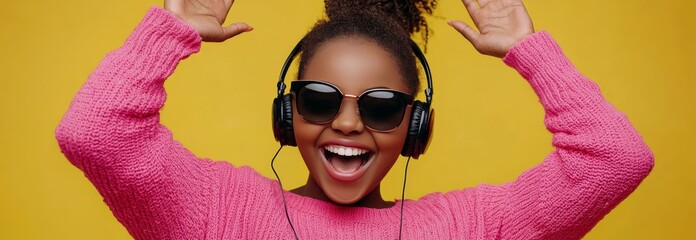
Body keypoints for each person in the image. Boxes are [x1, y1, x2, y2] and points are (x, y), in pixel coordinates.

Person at [55, 0, 654, 239]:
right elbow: (95, 132)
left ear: (414, 127)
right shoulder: (216, 211)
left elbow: (615, 160)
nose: (347, 124)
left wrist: (530, 51)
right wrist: (171, 28)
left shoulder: (464, 228)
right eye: (320, 99)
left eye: (381, 107)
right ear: (288, 114)